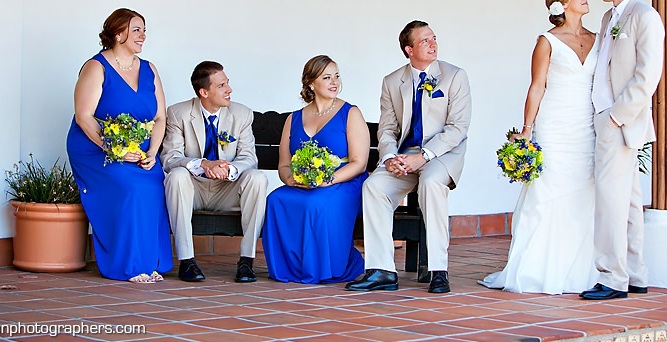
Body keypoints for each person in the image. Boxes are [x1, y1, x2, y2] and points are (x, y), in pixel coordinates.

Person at [479, 0, 599, 294]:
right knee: (548, 194)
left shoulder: (598, 39)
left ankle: (579, 271)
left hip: (586, 128)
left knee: (583, 196)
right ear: (562, 1)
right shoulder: (547, 41)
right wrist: (527, 130)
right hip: (555, 126)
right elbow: (537, 86)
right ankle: (539, 269)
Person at [346, 21, 471, 294]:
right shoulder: (392, 81)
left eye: (434, 38)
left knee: (431, 184)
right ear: (409, 49)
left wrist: (424, 156)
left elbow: (458, 128)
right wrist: (390, 156)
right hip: (405, 154)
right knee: (374, 187)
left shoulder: (454, 76)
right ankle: (382, 271)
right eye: (425, 40)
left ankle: (439, 270)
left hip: (442, 153)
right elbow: (387, 128)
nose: (433, 43)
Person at [66, 8, 173, 282]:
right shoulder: (96, 66)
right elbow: (84, 116)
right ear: (117, 33)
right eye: (136, 29)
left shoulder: (150, 69)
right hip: (96, 149)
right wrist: (113, 149)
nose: (143, 36)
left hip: (140, 152)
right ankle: (128, 264)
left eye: (144, 30)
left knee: (153, 181)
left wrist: (152, 152)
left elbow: (160, 117)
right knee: (131, 186)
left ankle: (150, 262)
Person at [581, 0, 664, 300]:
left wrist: (616, 115)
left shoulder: (644, 16)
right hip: (608, 116)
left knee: (610, 200)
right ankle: (635, 273)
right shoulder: (607, 17)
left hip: (620, 119)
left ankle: (612, 277)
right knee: (628, 200)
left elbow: (648, 74)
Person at [261, 55, 370, 284]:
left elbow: (359, 162)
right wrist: (290, 180)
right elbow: (284, 163)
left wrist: (327, 180)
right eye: (327, 77)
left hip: (343, 181)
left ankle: (325, 267)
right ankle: (289, 268)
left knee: (315, 203)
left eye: (337, 76)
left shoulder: (350, 113)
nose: (335, 82)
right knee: (276, 199)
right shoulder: (294, 118)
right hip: (304, 183)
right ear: (311, 83)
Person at [161, 61, 268, 283]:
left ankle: (247, 261)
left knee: (257, 178)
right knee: (177, 176)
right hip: (194, 189)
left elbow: (249, 157)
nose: (229, 90)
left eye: (227, 83)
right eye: (221, 85)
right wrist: (203, 164)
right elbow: (170, 158)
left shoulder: (242, 114)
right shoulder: (178, 113)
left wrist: (229, 168)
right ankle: (187, 261)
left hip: (227, 190)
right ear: (204, 92)